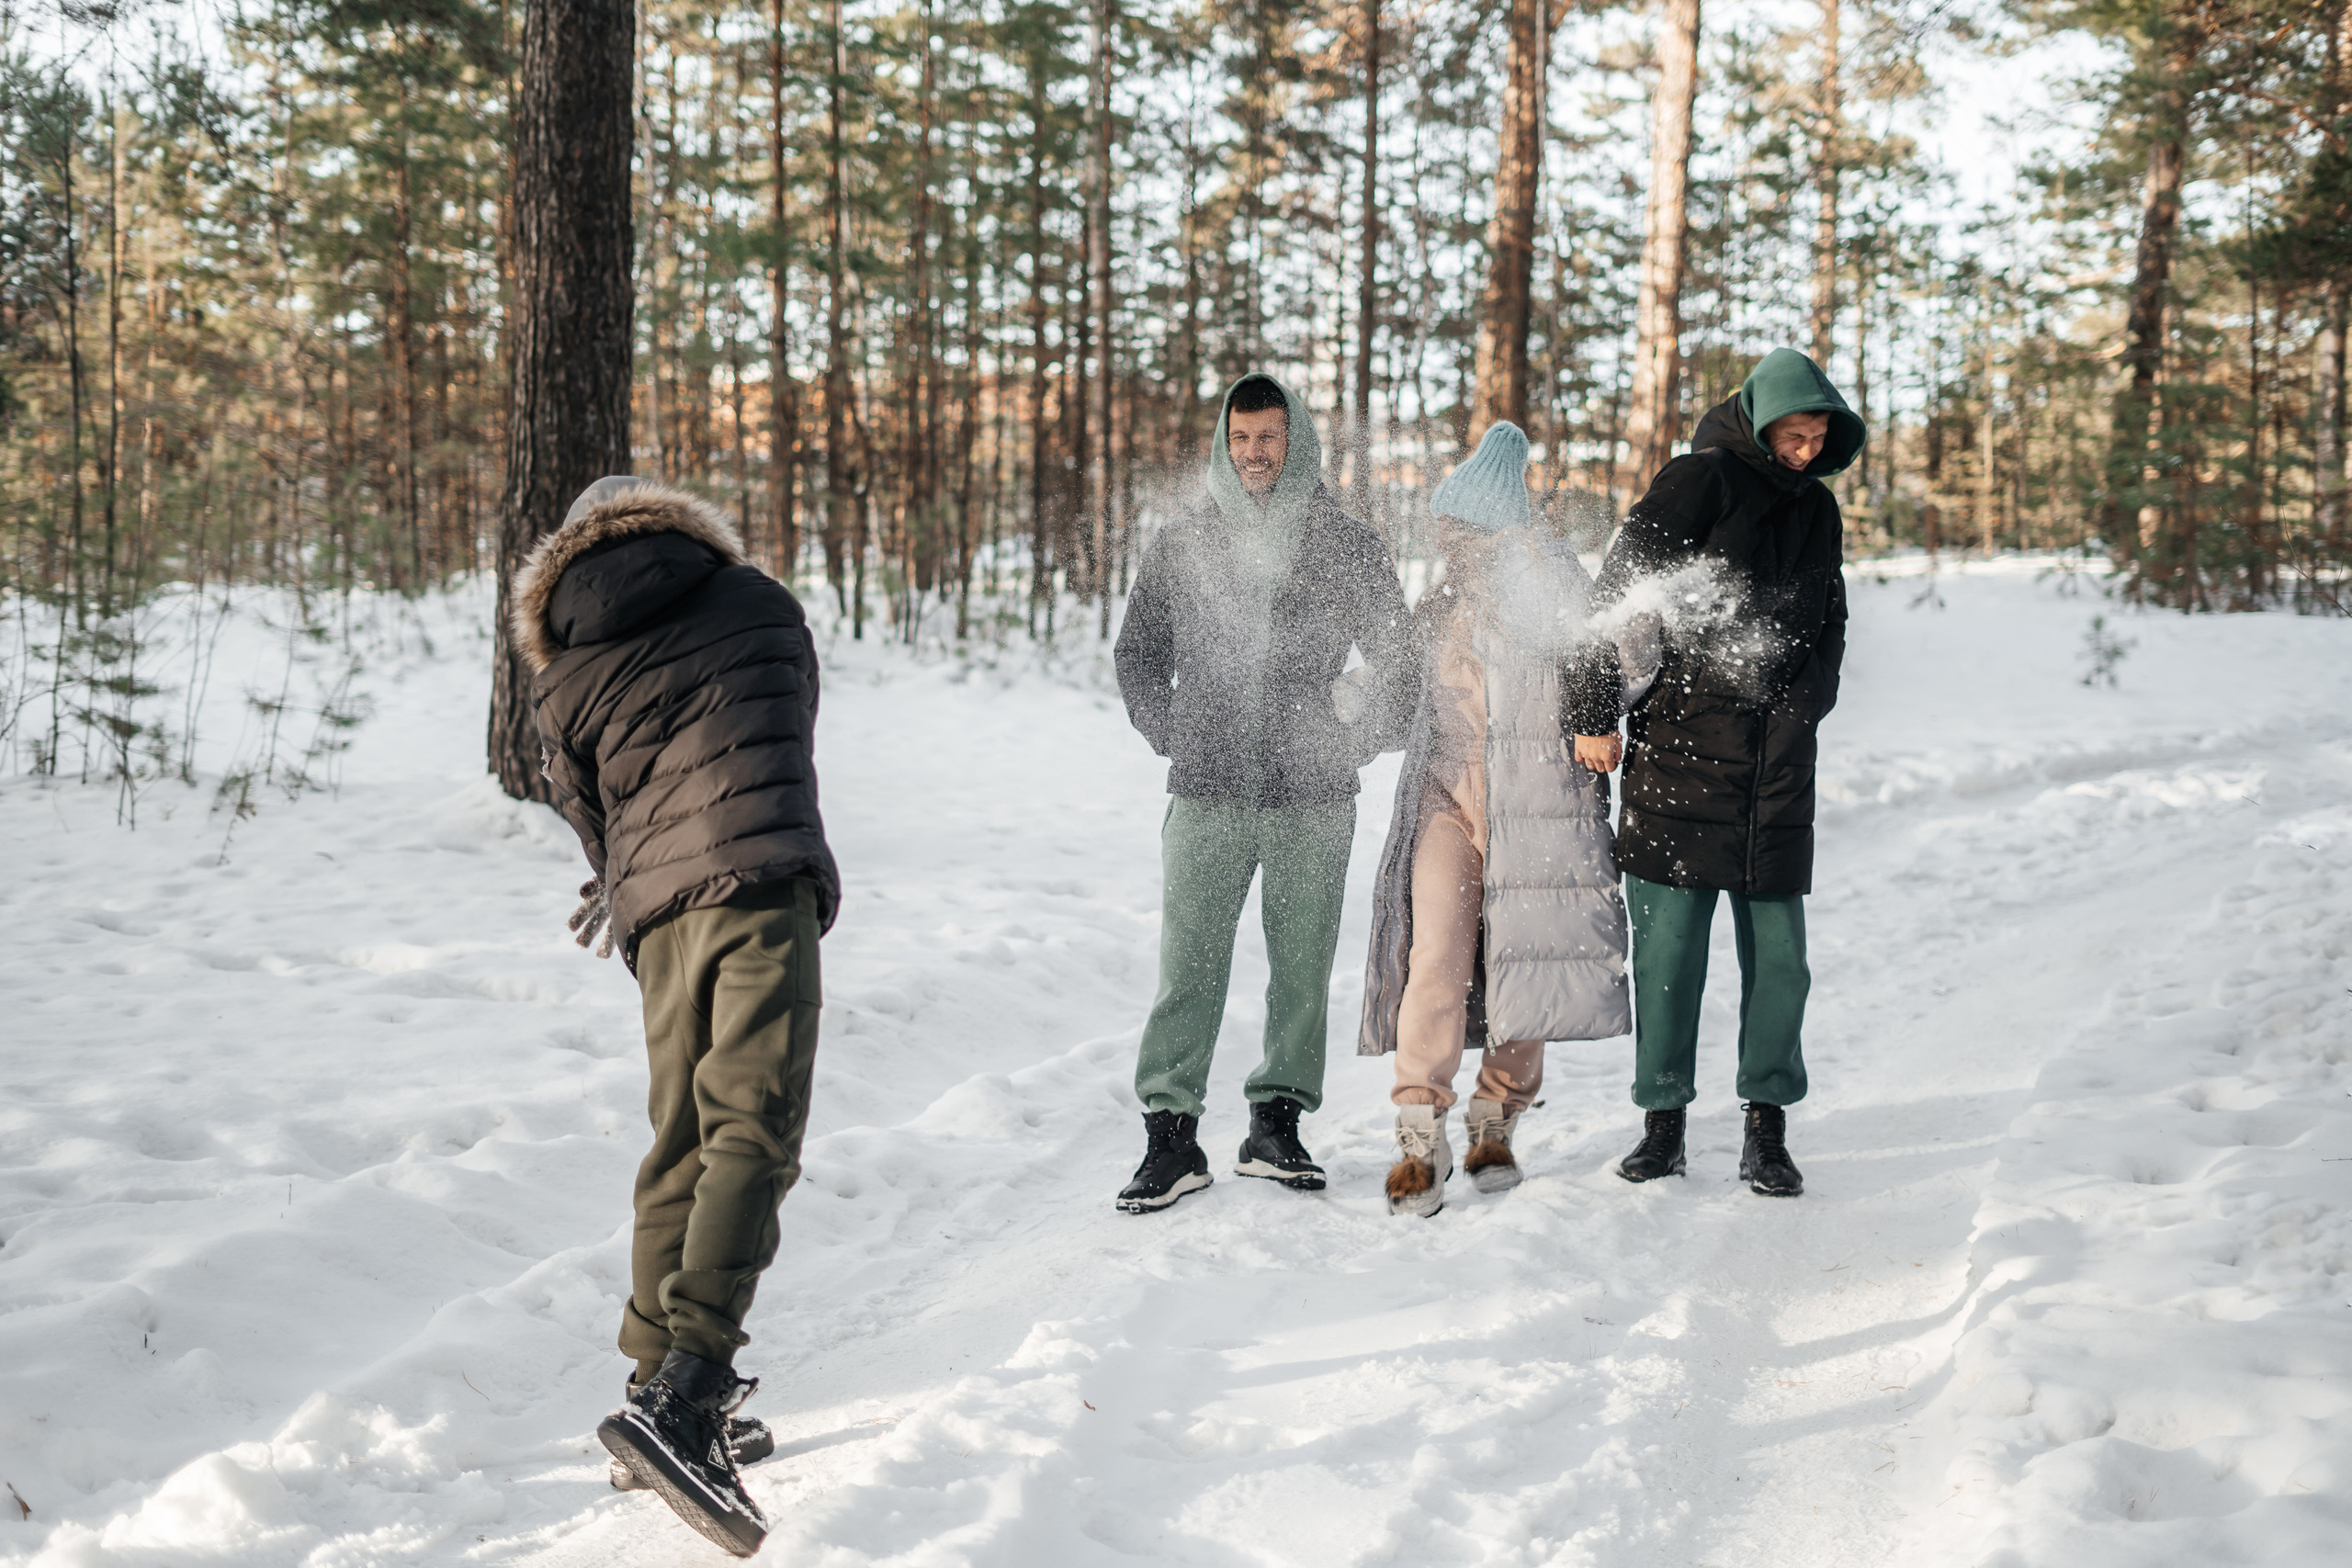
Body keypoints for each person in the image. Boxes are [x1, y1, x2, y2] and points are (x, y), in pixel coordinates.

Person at [514, 476, 839, 1558]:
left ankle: (648, 1391)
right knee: (753, 1128)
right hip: (757, 882)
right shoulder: (755, 600)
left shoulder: (562, 673)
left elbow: (587, 813)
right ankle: (688, 1398)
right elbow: (790, 716)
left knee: (683, 1139)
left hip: (653, 918)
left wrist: (636, 879)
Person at [1112, 372, 1418, 1213]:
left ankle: (1275, 1125)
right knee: (1188, 965)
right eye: (1241, 438)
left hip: (1312, 795)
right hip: (1208, 790)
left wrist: (1352, 739)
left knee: (1301, 965)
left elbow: (1400, 660)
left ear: (1297, 443)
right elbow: (1137, 656)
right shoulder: (1183, 542)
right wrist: (1175, 729)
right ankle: (1170, 1139)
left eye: (1269, 438)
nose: (1254, 453)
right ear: (1224, 440)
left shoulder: (1344, 542)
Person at [1565, 347, 1861, 1199]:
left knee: (1781, 961)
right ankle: (1662, 1125)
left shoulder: (1819, 510)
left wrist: (1811, 702)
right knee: (1669, 954)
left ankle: (1766, 1126)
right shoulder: (1699, 481)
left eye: (1818, 438)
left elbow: (1830, 619)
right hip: (1682, 756)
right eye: (1794, 434)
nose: (1805, 451)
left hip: (1777, 765)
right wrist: (1591, 711)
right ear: (1762, 419)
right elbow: (1610, 597)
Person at [1358, 423, 1633, 1216]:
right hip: (1447, 801)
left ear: (1497, 530)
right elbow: (1402, 694)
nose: (1448, 545)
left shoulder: (1551, 584)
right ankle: (1420, 1128)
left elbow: (1599, 656)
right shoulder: (1441, 602)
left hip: (1533, 804)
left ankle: (1496, 1121)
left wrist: (1591, 719)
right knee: (1435, 955)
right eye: (1443, 530)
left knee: (1524, 958)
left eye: (1461, 531)